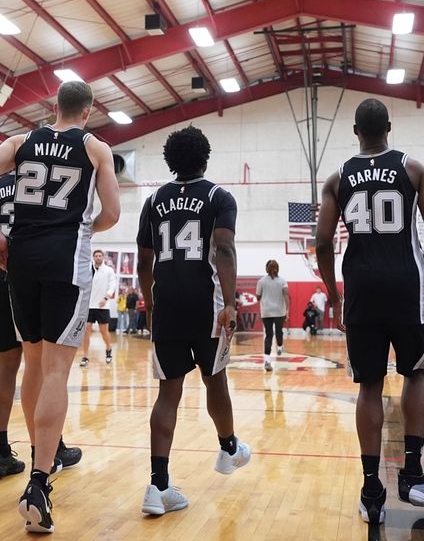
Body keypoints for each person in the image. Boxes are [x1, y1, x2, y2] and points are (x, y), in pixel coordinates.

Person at [0, 80, 120, 533]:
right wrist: (82, 226)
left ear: (54, 107)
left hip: (20, 259)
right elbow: (112, 212)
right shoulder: (95, 148)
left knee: (32, 363)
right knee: (56, 370)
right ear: (87, 112)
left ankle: (42, 461)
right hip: (65, 260)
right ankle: (38, 481)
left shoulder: (21, 141)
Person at [313, 98, 424, 525]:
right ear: (389, 127)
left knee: (369, 386)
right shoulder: (413, 169)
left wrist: (334, 296)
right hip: (406, 284)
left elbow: (321, 243)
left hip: (361, 287)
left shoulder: (337, 178)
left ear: (355, 132)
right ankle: (412, 472)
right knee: (415, 373)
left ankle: (372, 490)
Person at [136, 126, 251, 516]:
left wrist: (151, 306)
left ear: (171, 161)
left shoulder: (153, 200)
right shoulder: (219, 197)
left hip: (166, 302)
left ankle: (157, 486)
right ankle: (228, 447)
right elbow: (223, 247)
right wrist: (231, 303)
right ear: (205, 157)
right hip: (206, 303)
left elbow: (144, 263)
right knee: (214, 379)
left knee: (168, 393)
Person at [0, 170, 84, 482]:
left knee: (7, 364)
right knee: (42, 363)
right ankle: (44, 451)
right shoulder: (43, 176)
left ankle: (1, 449)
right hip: (29, 271)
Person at [79, 250, 117, 366]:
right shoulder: (88, 270)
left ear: (103, 257)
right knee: (86, 331)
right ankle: (85, 356)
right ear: (93, 257)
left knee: (103, 331)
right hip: (89, 306)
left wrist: (105, 298)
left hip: (103, 306)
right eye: (96, 256)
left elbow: (112, 285)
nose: (98, 257)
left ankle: (108, 349)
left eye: (100, 256)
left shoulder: (109, 271)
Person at [256, 260, 289, 371]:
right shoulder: (282, 281)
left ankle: (267, 361)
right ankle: (280, 346)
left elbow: (258, 297)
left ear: (266, 268)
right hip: (280, 311)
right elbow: (286, 296)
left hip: (266, 311)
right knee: (279, 332)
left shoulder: (261, 281)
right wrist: (288, 309)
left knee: (269, 335)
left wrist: (265, 298)